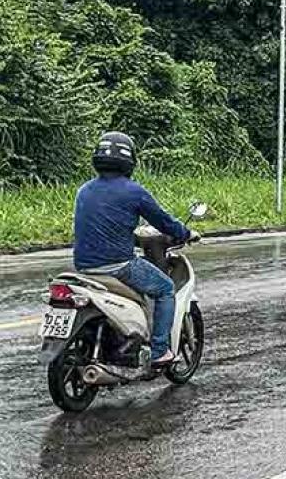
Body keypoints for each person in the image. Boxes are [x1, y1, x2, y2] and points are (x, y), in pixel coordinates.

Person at [72, 132, 195, 367]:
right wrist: (186, 234)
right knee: (165, 289)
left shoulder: (84, 190)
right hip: (118, 266)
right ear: (130, 160)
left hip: (84, 267)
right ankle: (160, 350)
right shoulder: (134, 192)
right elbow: (164, 223)